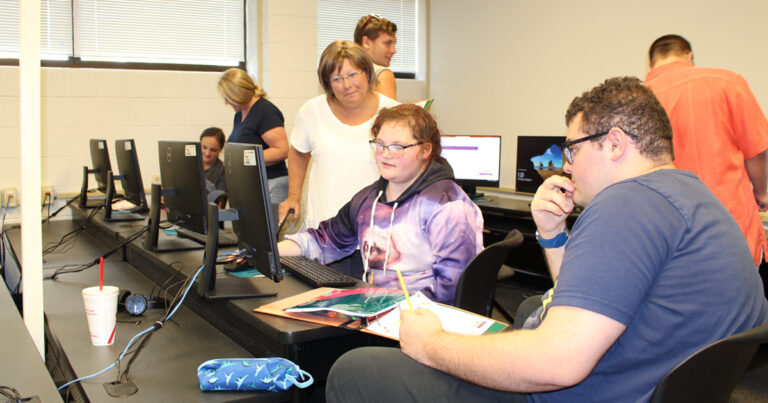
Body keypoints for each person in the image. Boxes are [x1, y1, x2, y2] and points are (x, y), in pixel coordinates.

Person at [325, 77, 768, 402]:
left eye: (572, 150)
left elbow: (557, 364)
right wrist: (553, 237)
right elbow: (579, 301)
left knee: (356, 370)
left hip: (571, 393)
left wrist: (431, 344)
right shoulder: (694, 196)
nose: (569, 166)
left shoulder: (625, 205)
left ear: (614, 143)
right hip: (636, 382)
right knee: (528, 310)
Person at [278, 104, 483, 304]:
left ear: (425, 150)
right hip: (377, 310)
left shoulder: (447, 206)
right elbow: (324, 239)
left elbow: (453, 290)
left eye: (397, 146)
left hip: (423, 321)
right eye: (380, 144)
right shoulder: (369, 199)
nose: (385, 153)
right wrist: (270, 252)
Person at [645, 34, 768, 266]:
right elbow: (758, 151)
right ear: (689, 56)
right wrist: (761, 194)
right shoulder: (727, 82)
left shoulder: (638, 97)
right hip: (731, 225)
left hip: (664, 232)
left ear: (651, 64)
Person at [278, 41, 399, 230]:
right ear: (328, 84)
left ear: (367, 73)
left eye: (352, 75)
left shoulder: (393, 113)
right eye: (337, 79)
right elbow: (298, 153)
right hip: (325, 226)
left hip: (378, 228)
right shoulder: (312, 111)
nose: (347, 85)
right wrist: (294, 196)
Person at [218, 68, 289, 204]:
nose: (226, 102)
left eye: (227, 97)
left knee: (269, 225)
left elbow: (282, 150)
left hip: (271, 184)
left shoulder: (265, 111)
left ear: (237, 93)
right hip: (251, 185)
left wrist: (242, 159)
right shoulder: (239, 114)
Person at [354, 13, 398, 100]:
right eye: (388, 43)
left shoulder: (338, 73)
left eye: (394, 44)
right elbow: (389, 114)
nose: (394, 50)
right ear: (366, 42)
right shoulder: (382, 75)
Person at [200, 127, 226, 194]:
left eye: (213, 150)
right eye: (204, 147)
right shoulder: (190, 166)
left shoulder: (223, 172)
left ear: (220, 149)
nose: (207, 153)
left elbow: (219, 198)